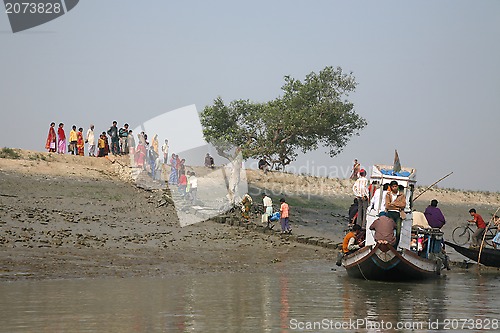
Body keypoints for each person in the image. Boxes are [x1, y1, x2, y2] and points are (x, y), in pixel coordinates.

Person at [385, 180, 407, 247]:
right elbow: (387, 205)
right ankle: (389, 244)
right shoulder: (388, 195)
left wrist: (394, 204)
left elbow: (403, 205)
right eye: (393, 186)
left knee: (398, 230)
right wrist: (397, 204)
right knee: (390, 229)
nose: (395, 188)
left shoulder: (401, 195)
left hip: (398, 213)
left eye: (396, 186)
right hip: (390, 213)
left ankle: (396, 246)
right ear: (391, 187)